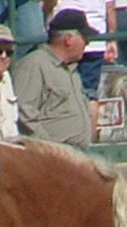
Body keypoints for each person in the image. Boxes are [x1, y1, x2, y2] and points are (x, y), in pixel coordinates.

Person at [11, 9, 93, 145]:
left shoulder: (71, 70)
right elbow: (24, 113)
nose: (88, 43)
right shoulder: (34, 65)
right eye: (85, 38)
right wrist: (50, 148)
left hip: (76, 157)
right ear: (68, 39)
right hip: (51, 158)